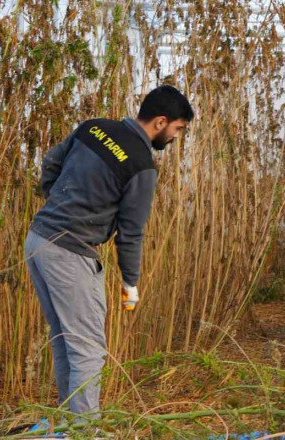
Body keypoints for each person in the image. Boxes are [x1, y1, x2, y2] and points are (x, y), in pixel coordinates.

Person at [24, 85, 193, 415]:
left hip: (38, 241)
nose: (176, 137)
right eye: (178, 129)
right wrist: (131, 284)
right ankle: (83, 430)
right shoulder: (142, 165)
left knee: (66, 340)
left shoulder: (94, 127)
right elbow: (130, 234)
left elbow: (50, 162)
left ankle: (67, 426)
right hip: (70, 252)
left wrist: (57, 202)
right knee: (88, 349)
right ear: (161, 121)